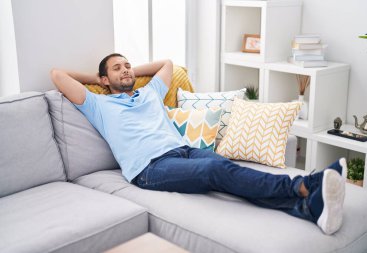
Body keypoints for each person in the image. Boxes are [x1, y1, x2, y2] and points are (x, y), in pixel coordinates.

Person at [51, 53, 346, 235]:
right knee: (214, 173)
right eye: (117, 68)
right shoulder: (98, 104)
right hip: (150, 168)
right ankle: (302, 186)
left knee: (226, 172)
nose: (126, 70)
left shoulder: (149, 93)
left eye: (127, 66)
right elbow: (57, 75)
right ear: (104, 78)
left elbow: (167, 64)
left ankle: (306, 209)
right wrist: (100, 80)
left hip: (183, 151)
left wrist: (128, 72)